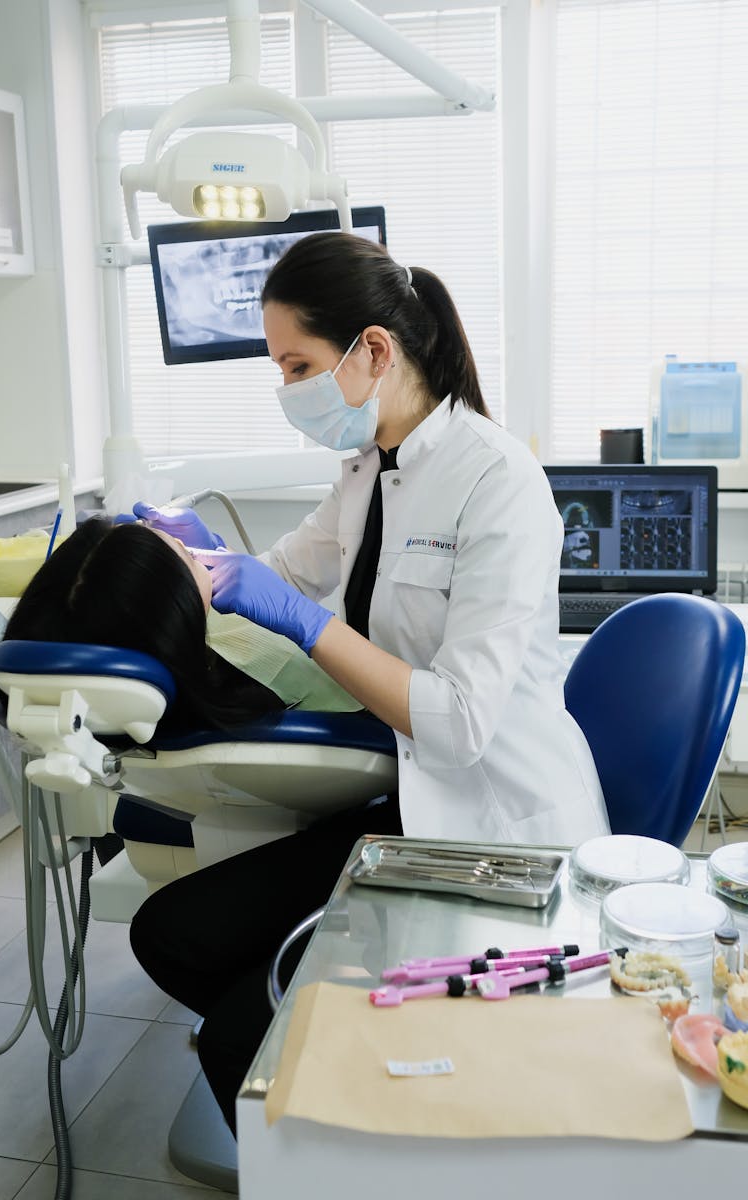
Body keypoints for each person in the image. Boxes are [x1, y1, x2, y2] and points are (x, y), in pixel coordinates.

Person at [129, 232, 610, 1137]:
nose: (287, 390)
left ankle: (358, 1123)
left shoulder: (497, 480)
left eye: (298, 364)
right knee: (169, 935)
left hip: (498, 831)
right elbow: (264, 575)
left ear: (374, 351)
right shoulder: (365, 471)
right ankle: (340, 1085)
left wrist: (312, 624)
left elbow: (461, 723)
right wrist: (185, 554)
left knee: (242, 1040)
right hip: (409, 803)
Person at [3, 516, 362, 731]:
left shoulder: (137, 633)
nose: (179, 540)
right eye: (184, 553)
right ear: (174, 608)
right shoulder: (229, 681)